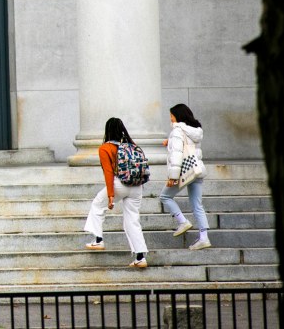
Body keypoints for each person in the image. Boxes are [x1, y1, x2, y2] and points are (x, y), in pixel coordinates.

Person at [83, 117, 149, 268]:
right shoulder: (131, 145)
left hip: (119, 183)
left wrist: (111, 195)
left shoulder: (105, 148)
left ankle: (98, 240)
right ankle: (140, 257)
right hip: (137, 186)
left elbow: (108, 172)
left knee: (98, 205)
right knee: (132, 220)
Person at [161, 103, 211, 250]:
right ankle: (204, 238)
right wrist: (169, 142)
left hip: (183, 171)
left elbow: (177, 154)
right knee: (197, 206)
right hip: (196, 170)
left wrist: (173, 177)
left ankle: (182, 221)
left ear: (178, 116)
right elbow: (188, 144)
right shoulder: (195, 130)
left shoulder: (177, 130)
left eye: (171, 116)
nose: (170, 119)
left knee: (165, 196)